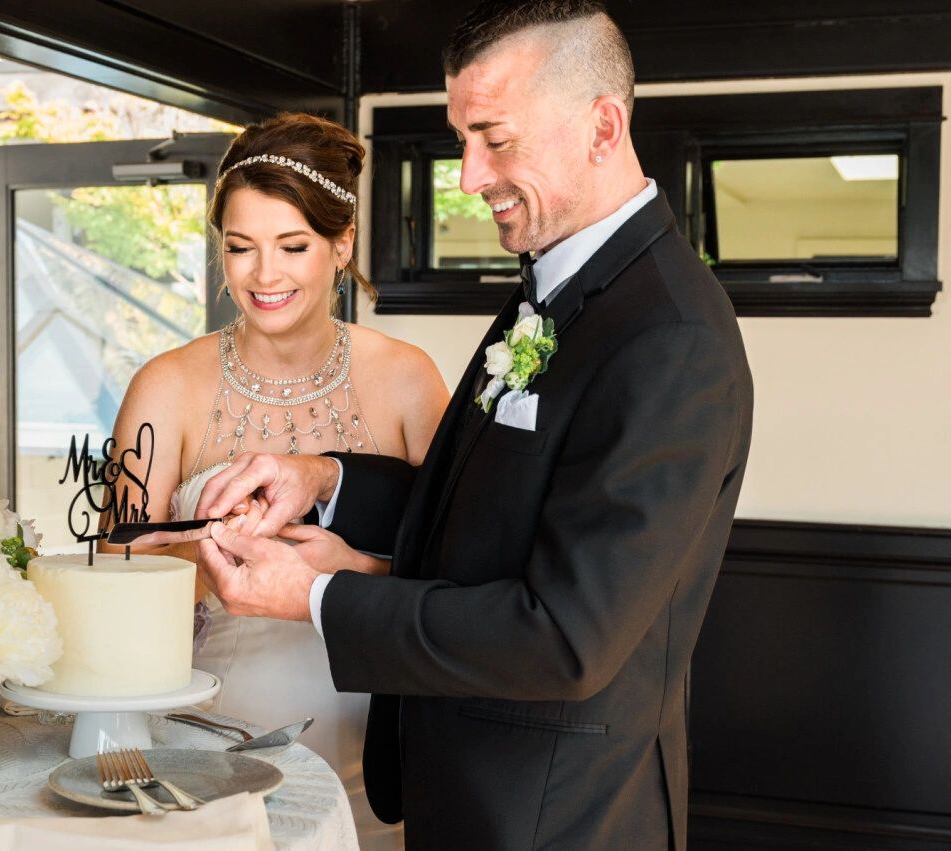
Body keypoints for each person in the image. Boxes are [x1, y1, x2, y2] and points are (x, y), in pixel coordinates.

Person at [173, 2, 754, 848]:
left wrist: (320, 597)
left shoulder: (669, 337)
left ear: (601, 126)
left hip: (555, 818)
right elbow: (478, 508)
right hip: (471, 795)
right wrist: (326, 481)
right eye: (462, 140)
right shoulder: (552, 287)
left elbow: (564, 637)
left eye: (497, 139)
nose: (469, 175)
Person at [106, 112, 450, 848]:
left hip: (370, 744)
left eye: (292, 246)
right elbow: (113, 574)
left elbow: (461, 568)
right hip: (204, 746)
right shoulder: (166, 387)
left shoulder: (408, 382)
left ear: (342, 243)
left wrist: (352, 569)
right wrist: (208, 556)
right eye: (240, 247)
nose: (264, 275)